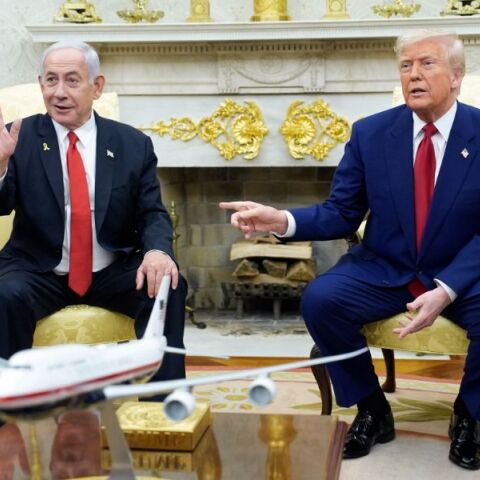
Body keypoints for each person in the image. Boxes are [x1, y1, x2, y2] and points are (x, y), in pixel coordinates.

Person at [220, 30, 480, 470]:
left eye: (427, 64)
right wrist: (281, 220)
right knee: (322, 299)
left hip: (463, 273)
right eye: (406, 66)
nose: (413, 74)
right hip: (385, 267)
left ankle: (470, 413)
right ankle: (372, 408)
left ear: (457, 76)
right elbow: (342, 212)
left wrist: (448, 288)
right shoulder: (370, 134)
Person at [0, 40, 186, 387]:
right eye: (51, 80)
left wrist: (158, 252)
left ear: (96, 86)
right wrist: (0, 166)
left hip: (110, 269)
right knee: (5, 294)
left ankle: (162, 402)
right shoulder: (16, 138)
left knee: (167, 285)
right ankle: (10, 399)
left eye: (72, 80)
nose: (59, 92)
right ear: (41, 84)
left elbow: (151, 212)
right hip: (38, 268)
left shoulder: (132, 144)